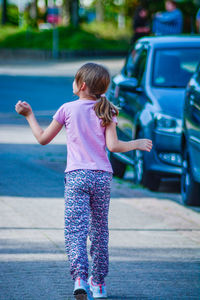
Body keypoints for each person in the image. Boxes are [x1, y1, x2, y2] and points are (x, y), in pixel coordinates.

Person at [15, 62, 153, 299]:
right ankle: (98, 284)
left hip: (76, 177)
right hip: (101, 177)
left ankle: (80, 278)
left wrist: (29, 115)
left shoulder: (67, 109)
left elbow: (42, 139)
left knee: (75, 230)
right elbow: (113, 146)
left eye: (74, 79)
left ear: (82, 85)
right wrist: (136, 143)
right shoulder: (107, 110)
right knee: (100, 231)